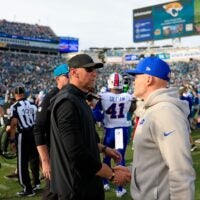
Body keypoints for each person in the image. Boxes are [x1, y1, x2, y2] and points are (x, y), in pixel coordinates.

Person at [50, 54, 131, 200]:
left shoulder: (79, 98)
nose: (94, 74)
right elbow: (75, 151)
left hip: (85, 181)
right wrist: (111, 174)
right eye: (89, 70)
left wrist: (104, 149)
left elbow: (83, 138)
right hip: (76, 186)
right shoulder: (68, 102)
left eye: (95, 70)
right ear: (74, 72)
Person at [126, 56, 196, 200]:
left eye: (136, 77)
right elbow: (154, 160)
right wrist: (131, 171)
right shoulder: (154, 109)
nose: (134, 81)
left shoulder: (165, 112)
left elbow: (181, 170)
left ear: (148, 79)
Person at [92, 72, 135, 197]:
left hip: (109, 130)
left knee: (106, 157)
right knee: (119, 158)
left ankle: (105, 182)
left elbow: (97, 116)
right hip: (121, 130)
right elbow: (132, 110)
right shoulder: (128, 96)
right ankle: (119, 189)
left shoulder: (103, 96)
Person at [34, 63, 70, 200]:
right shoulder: (50, 98)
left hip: (67, 151)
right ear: (58, 79)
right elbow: (38, 128)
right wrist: (45, 160)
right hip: (54, 152)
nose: (70, 79)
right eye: (67, 76)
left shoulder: (69, 95)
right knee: (53, 191)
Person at [9, 86, 40, 197]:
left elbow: (13, 124)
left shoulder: (15, 106)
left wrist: (12, 140)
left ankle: (28, 189)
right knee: (34, 160)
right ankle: (36, 183)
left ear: (15, 94)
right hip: (34, 133)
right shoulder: (33, 104)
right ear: (24, 93)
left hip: (23, 134)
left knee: (22, 163)